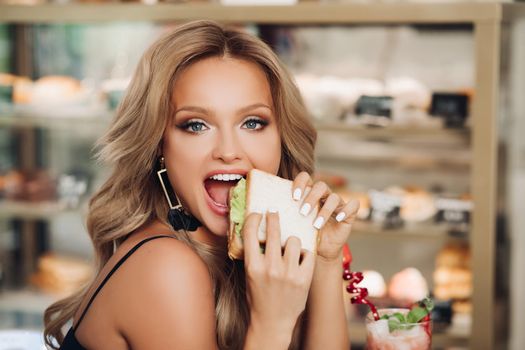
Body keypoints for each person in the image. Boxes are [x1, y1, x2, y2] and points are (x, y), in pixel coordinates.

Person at [43, 20, 359, 350]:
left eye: (253, 122)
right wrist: (272, 326)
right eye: (196, 125)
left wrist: (325, 261)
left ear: (282, 138)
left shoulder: (243, 258)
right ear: (159, 147)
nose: (228, 151)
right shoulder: (166, 267)